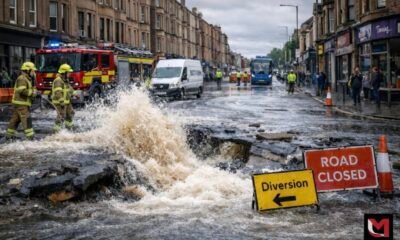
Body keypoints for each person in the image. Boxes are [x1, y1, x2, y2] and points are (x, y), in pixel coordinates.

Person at [5, 62, 37, 140]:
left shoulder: (27, 78)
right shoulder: (22, 78)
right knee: (27, 120)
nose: (34, 73)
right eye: (33, 71)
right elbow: (22, 91)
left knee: (15, 121)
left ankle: (8, 137)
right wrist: (32, 93)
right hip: (22, 105)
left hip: (20, 104)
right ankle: (31, 139)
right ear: (27, 70)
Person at [52, 64, 75, 132]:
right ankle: (56, 131)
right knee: (61, 116)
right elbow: (58, 92)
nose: (70, 74)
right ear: (64, 73)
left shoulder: (65, 80)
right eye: (68, 72)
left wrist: (74, 94)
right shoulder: (58, 81)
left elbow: (69, 88)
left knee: (71, 113)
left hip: (66, 102)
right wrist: (61, 102)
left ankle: (69, 128)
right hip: (60, 102)